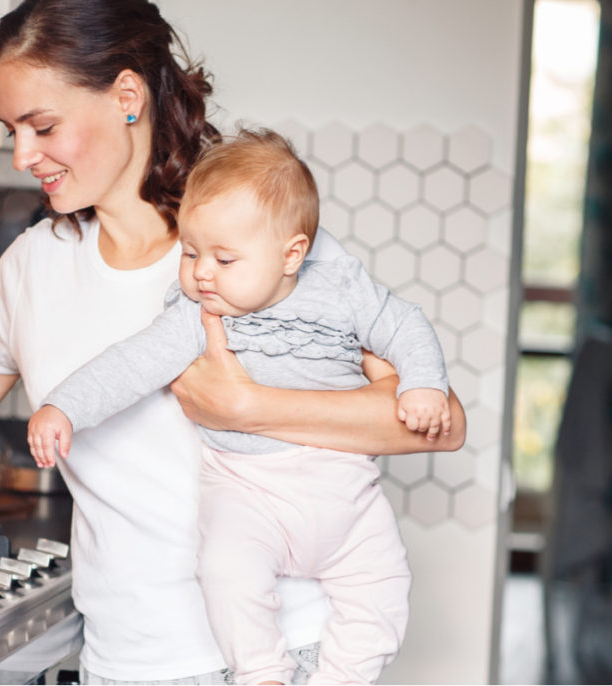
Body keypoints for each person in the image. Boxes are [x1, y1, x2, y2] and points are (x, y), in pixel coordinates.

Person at [0, 1, 467, 683]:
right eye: (11, 129)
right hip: (129, 658)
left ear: (127, 95)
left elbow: (436, 422)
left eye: (41, 125)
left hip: (285, 651)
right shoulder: (32, 266)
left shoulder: (240, 244)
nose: (20, 155)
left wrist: (247, 405)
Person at [27, 129, 448, 684]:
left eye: (225, 258)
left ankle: (342, 676)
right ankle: (260, 671)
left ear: (291, 255)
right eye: (193, 253)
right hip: (247, 491)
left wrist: (424, 385)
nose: (203, 272)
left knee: (385, 583)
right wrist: (65, 407)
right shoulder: (198, 314)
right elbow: (129, 364)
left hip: (343, 491)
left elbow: (405, 325)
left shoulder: (344, 289)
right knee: (226, 573)